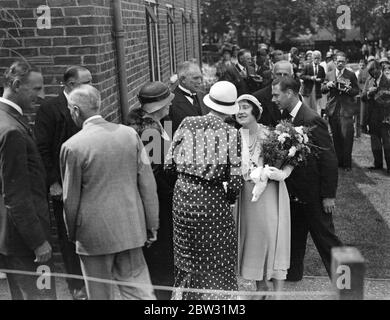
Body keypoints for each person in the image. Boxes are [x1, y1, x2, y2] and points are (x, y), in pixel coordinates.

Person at [60, 85, 159, 300]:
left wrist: (72, 233)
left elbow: (71, 198)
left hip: (93, 234)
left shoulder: (72, 146)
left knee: (100, 294)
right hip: (131, 227)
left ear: (76, 110)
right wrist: (152, 223)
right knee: (139, 292)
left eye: (70, 110)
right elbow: (147, 182)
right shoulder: (130, 134)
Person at [165, 81, 243, 300]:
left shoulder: (188, 122)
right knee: (216, 256)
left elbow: (168, 163)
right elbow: (236, 180)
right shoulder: (231, 133)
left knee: (186, 256)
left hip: (182, 197)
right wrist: (229, 196)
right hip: (212, 201)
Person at [272, 76, 342, 281]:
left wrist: (329, 195)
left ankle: (350, 283)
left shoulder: (311, 119)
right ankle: (293, 276)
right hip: (294, 193)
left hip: (314, 195)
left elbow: (329, 160)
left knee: (327, 240)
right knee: (294, 237)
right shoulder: (286, 116)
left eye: (277, 95)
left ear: (290, 93)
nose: (274, 99)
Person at [34, 66, 91, 300]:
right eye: (85, 82)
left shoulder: (88, 103)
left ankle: (92, 280)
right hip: (63, 183)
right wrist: (53, 183)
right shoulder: (50, 109)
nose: (91, 86)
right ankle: (76, 285)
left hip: (86, 181)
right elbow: (43, 148)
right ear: (69, 85)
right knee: (69, 236)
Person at [0, 61, 56, 299]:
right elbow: (16, 194)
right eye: (36, 89)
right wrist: (38, 241)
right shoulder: (12, 129)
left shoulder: (7, 119)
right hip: (25, 240)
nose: (41, 96)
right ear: (15, 85)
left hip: (10, 235)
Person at [236, 94, 292, 299]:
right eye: (237, 107)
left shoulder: (270, 133)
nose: (240, 111)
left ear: (255, 111)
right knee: (254, 239)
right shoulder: (234, 136)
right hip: (247, 197)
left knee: (273, 236)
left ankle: (277, 293)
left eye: (245, 107)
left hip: (270, 194)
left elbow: (293, 154)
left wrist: (285, 173)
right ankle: (261, 287)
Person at [127, 81, 176, 300]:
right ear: (158, 106)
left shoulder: (152, 123)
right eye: (167, 103)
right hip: (160, 201)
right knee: (162, 259)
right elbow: (156, 174)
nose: (170, 106)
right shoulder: (150, 130)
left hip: (157, 197)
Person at [322, 51, 359, 171]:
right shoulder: (329, 74)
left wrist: (349, 89)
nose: (340, 63)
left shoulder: (351, 74)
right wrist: (328, 85)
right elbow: (322, 89)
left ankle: (347, 164)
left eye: (343, 61)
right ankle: (338, 161)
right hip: (333, 110)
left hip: (346, 110)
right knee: (336, 137)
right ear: (334, 61)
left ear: (346, 62)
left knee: (347, 137)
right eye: (338, 61)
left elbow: (356, 91)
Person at [362, 58, 390, 174]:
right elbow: (363, 97)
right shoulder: (369, 80)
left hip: (385, 115)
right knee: (375, 141)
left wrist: (378, 93)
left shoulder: (387, 80)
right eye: (370, 72)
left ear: (379, 68)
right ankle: (377, 164)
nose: (373, 74)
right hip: (373, 116)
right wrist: (368, 93)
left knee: (387, 142)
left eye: (374, 71)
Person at [169, 61, 208, 134]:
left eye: (200, 77)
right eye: (195, 78)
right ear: (183, 79)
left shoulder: (202, 96)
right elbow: (168, 133)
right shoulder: (170, 102)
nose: (200, 81)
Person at [253, 60, 294, 127]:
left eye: (286, 74)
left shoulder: (296, 97)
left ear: (292, 76)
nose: (282, 77)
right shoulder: (257, 97)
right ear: (272, 75)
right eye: (279, 74)